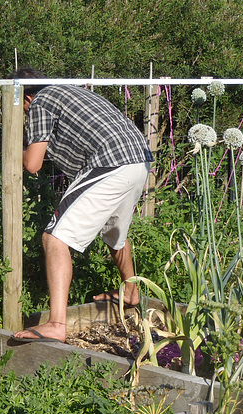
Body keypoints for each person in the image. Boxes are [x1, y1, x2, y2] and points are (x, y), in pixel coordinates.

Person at [11, 67, 152, 343]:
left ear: (25, 98)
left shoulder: (40, 101)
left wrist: (11, 154)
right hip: (139, 159)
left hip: (110, 161)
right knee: (115, 231)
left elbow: (32, 163)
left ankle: (56, 324)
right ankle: (131, 292)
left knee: (55, 237)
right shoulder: (72, 92)